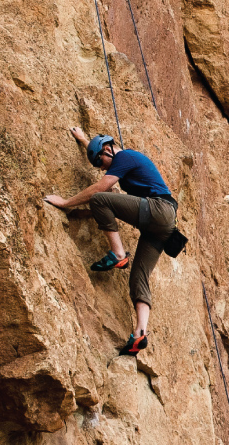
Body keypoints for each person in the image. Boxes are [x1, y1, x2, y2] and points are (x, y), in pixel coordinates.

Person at [45, 127, 177, 356]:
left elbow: (101, 187)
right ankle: (140, 333)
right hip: (163, 224)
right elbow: (101, 153)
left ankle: (118, 254)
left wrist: (65, 203)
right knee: (139, 276)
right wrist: (84, 139)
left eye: (102, 164)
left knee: (99, 199)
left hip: (158, 210)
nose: (103, 168)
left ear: (108, 149)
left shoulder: (125, 156)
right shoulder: (119, 158)